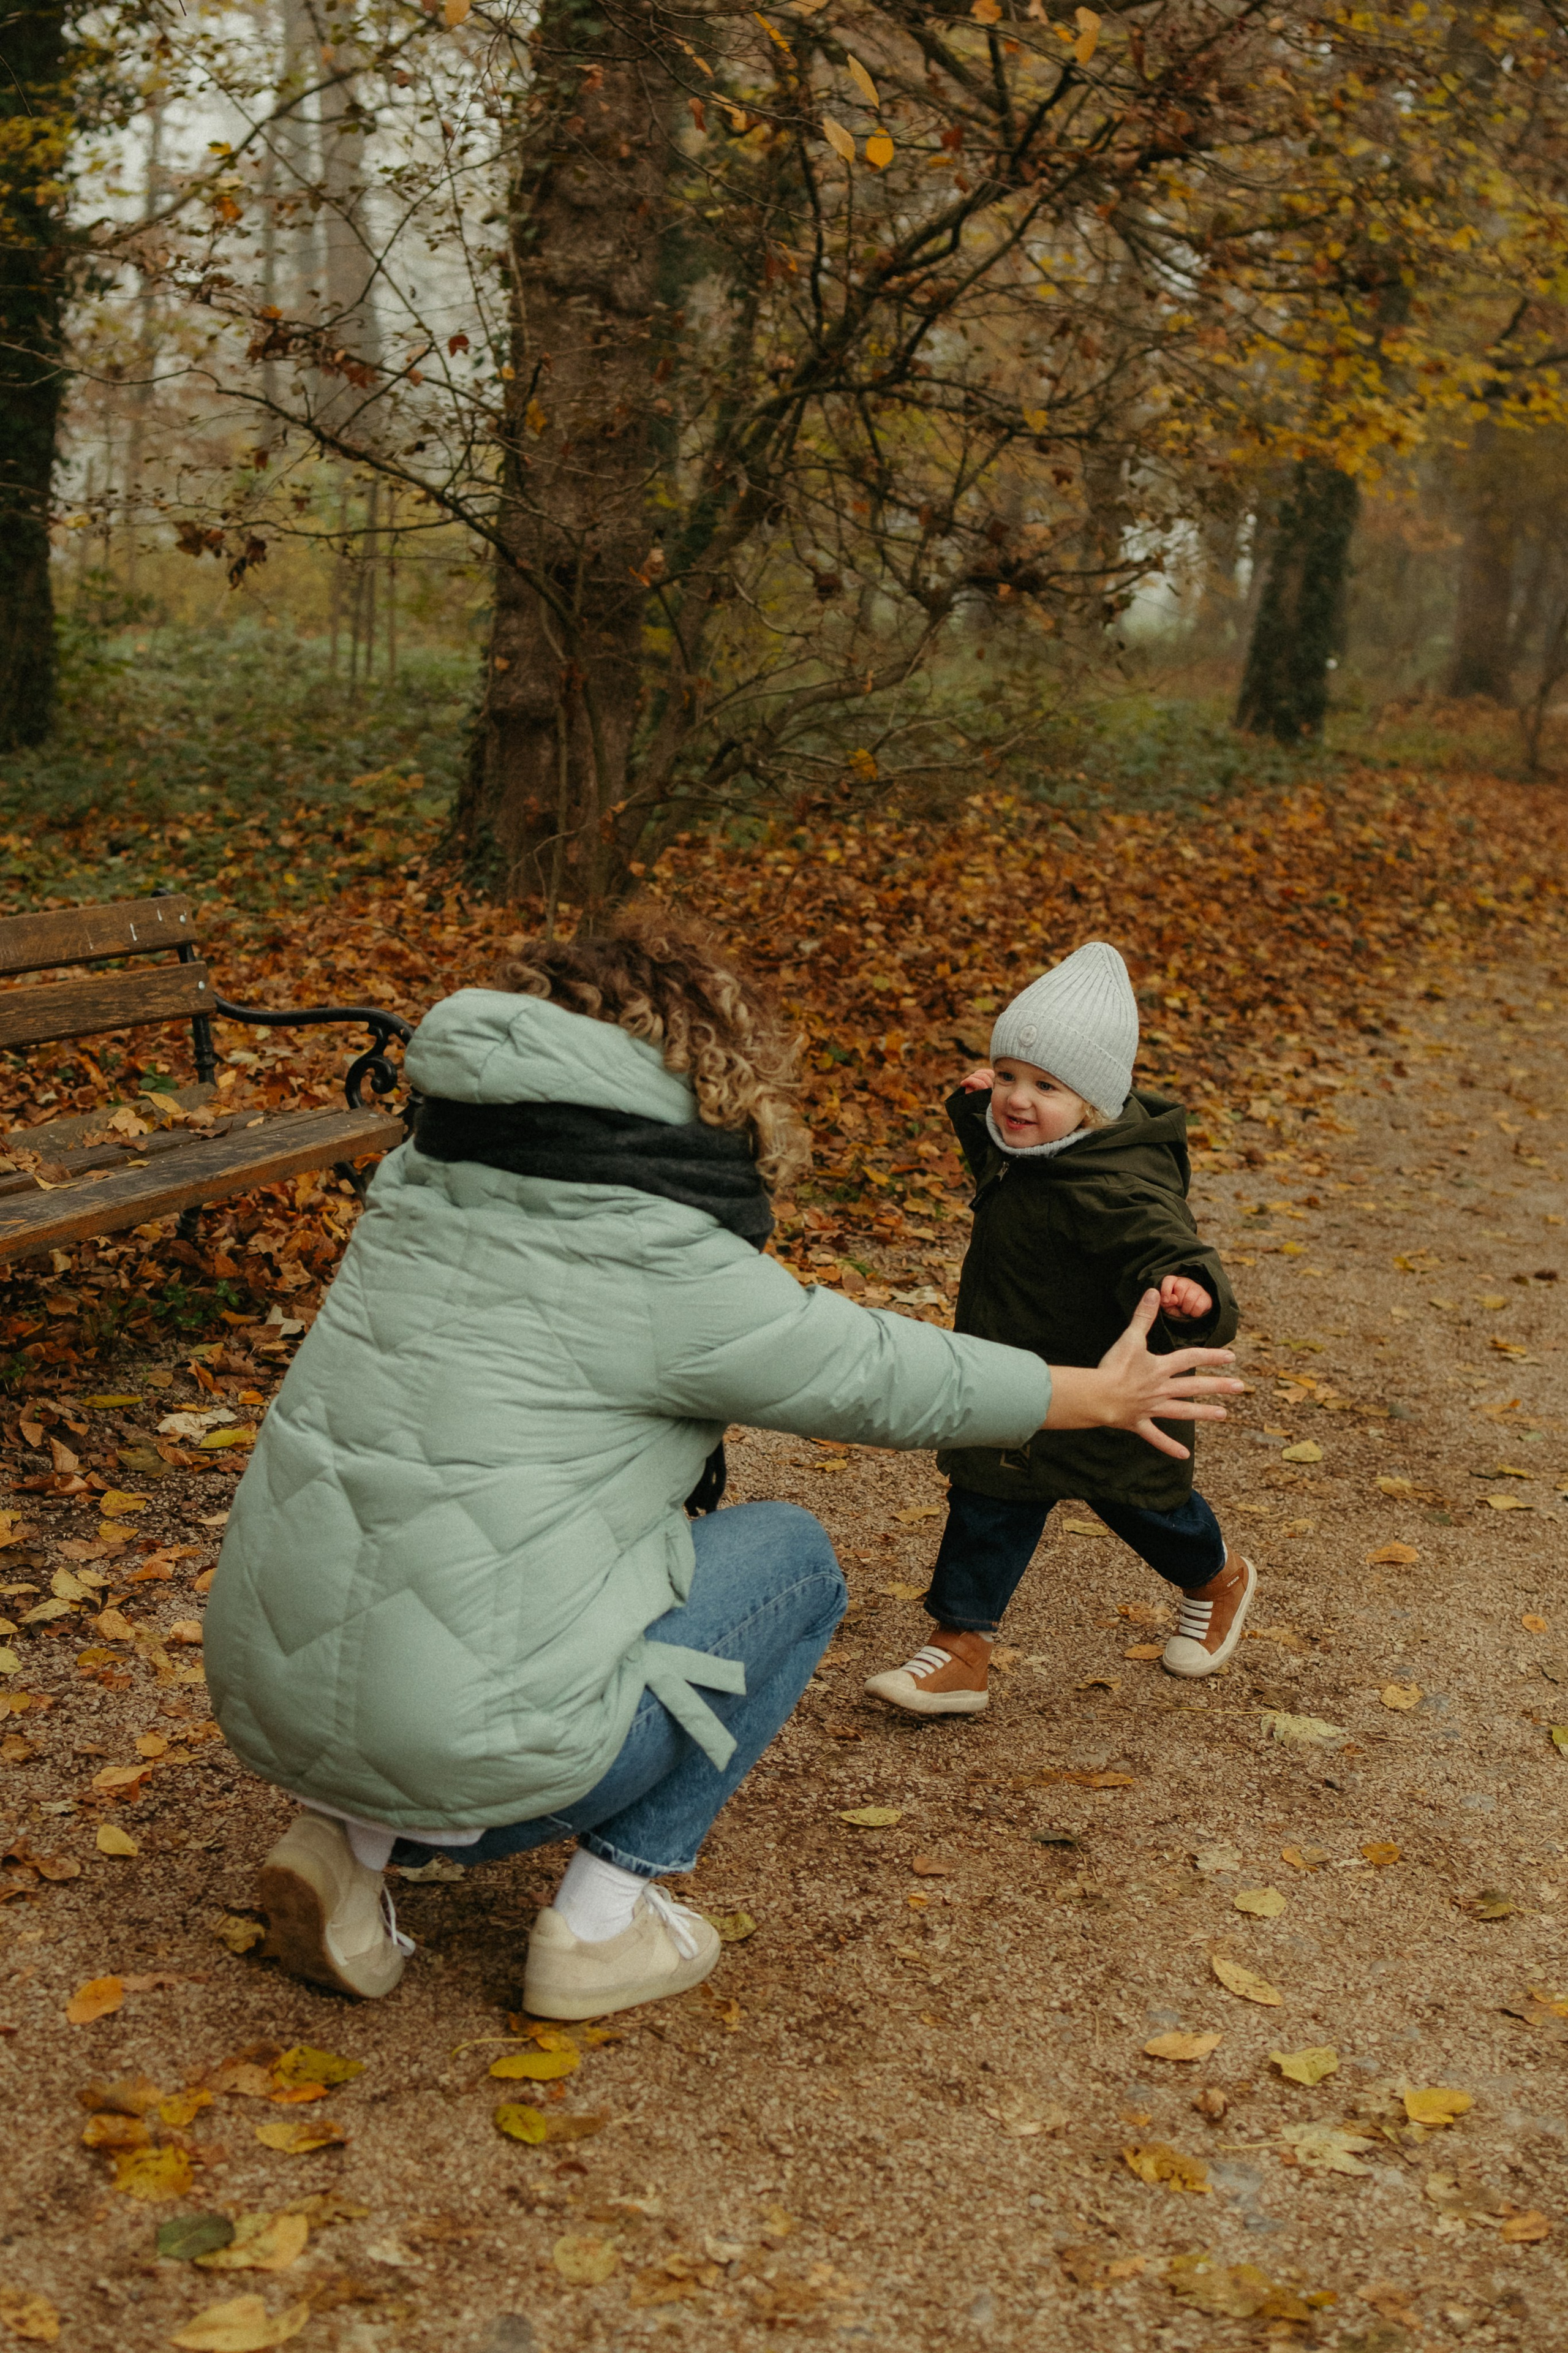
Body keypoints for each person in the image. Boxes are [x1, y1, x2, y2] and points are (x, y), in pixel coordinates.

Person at [203, 913, 1240, 2018]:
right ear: (698, 1068)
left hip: (268, 1702)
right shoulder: (652, 1252)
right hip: (472, 1742)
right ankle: (604, 1923)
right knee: (790, 1558)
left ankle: (347, 1842)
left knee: (462, 1542)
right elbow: (880, 1371)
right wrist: (1096, 1392)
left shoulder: (419, 1185)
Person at [865, 940, 1251, 1722]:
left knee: (1143, 1508)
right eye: (1007, 1074)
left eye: (1044, 1085)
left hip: (1110, 1390)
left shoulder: (1114, 1186)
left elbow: (1169, 1244)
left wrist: (1187, 1292)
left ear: (1095, 1106)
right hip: (1013, 1377)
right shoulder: (1026, 1147)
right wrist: (972, 1104)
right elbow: (992, 1149)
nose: (1015, 1098)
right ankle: (961, 1649)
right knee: (988, 1498)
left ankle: (1217, 1579)